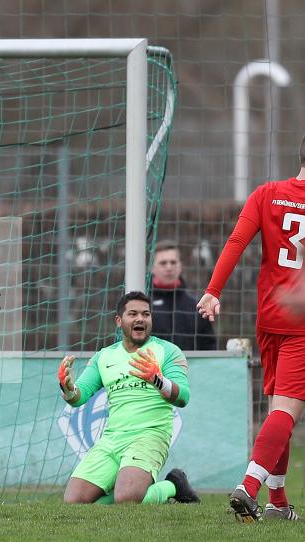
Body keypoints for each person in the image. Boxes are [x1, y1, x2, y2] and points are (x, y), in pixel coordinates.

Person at [197, 137, 305, 522]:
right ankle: (250, 485)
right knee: (288, 411)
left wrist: (212, 291)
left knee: (279, 406)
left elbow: (237, 240)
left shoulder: (267, 194)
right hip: (302, 322)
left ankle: (277, 503)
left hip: (269, 317)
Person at [58, 291, 199, 505]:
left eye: (146, 314)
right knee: (74, 502)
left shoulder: (168, 351)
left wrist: (157, 380)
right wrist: (68, 388)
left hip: (150, 436)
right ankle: (127, 484)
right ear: (119, 320)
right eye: (132, 314)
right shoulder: (104, 357)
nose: (140, 319)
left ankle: (174, 486)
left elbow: (183, 397)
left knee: (127, 498)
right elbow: (79, 396)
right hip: (112, 439)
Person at [150, 240, 216, 351]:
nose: (169, 267)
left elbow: (209, 345)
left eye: (173, 262)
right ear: (153, 268)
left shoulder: (196, 305)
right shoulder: (143, 304)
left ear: (180, 266)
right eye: (163, 263)